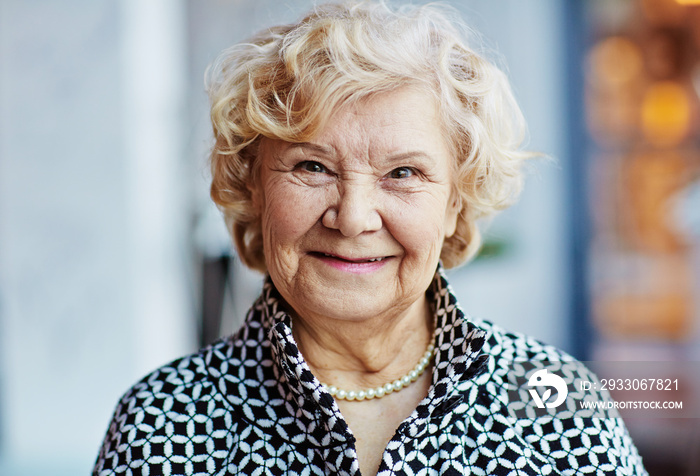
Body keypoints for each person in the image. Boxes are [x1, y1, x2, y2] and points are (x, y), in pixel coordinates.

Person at [94, 2, 648, 475]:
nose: (354, 218)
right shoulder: (159, 422)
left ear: (456, 204)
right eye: (312, 166)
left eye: (403, 173)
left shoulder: (562, 413)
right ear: (254, 190)